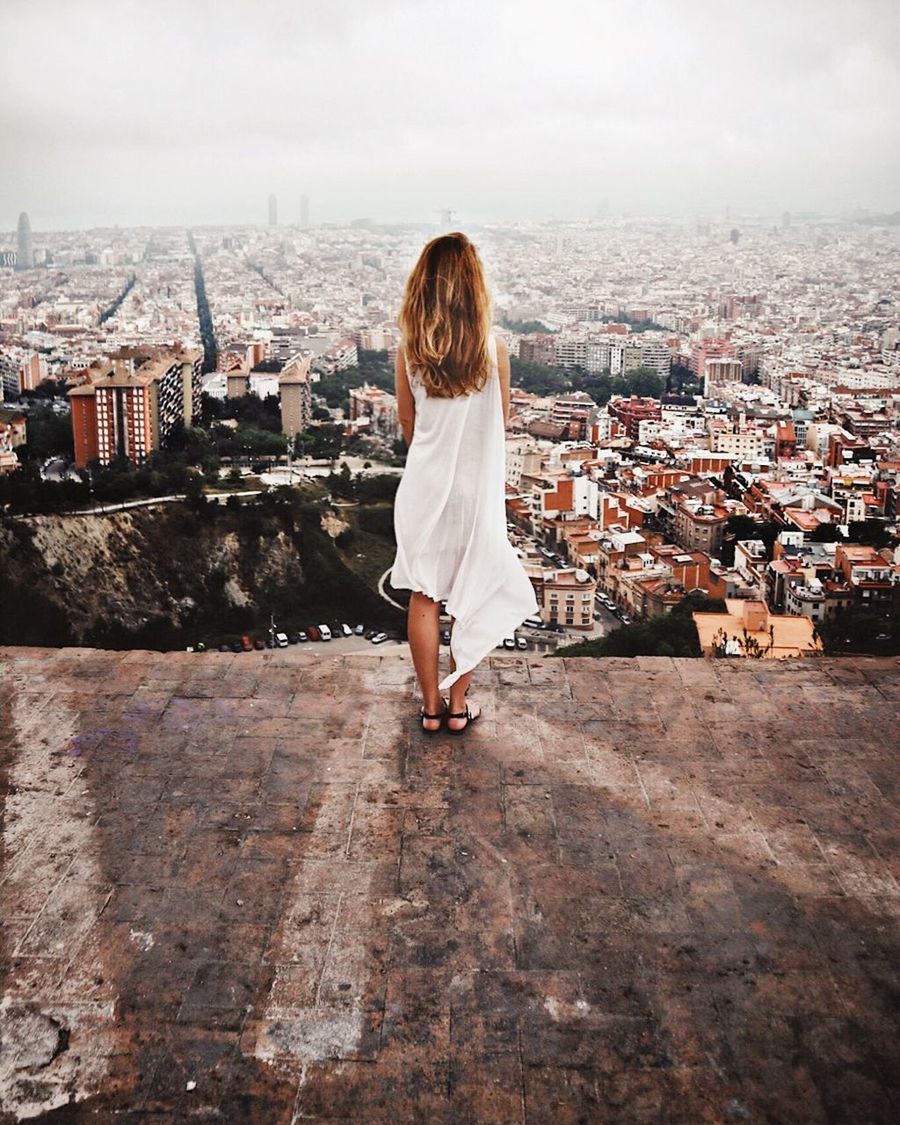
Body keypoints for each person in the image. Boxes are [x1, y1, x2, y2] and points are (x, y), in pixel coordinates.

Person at [389, 232, 539, 734]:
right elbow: (499, 419)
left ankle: (429, 708)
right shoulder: (493, 349)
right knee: (474, 592)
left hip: (424, 487)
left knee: (424, 596)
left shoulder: (410, 351)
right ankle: (457, 707)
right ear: (474, 288)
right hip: (475, 492)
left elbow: (408, 427)